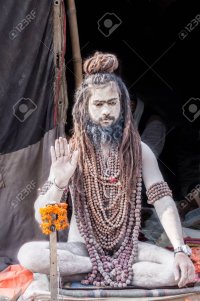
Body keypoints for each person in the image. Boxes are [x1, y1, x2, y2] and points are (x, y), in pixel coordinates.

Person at [18, 52, 195, 289]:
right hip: (83, 249)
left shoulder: (139, 151)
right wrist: (59, 182)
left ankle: (82, 274)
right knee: (28, 255)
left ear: (123, 106)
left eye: (112, 103)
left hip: (129, 250)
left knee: (173, 271)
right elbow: (43, 219)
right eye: (98, 104)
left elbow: (162, 200)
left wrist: (180, 249)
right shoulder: (72, 153)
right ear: (85, 109)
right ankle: (100, 270)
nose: (106, 112)